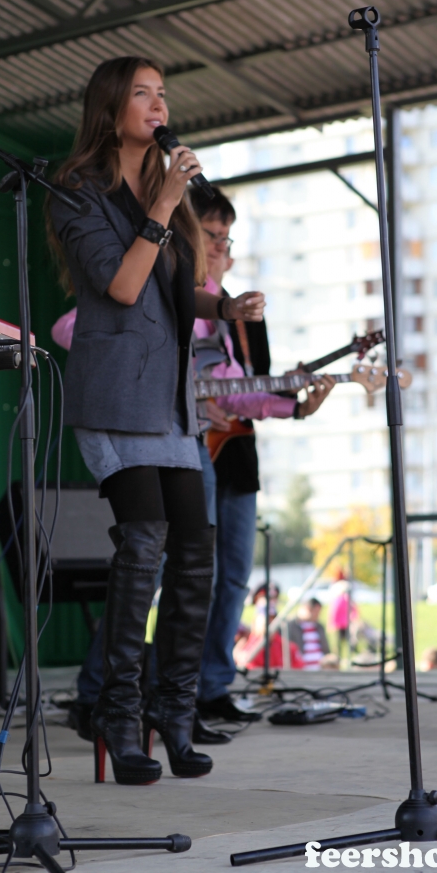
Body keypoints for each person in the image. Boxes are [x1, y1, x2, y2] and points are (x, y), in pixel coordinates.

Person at [48, 55, 264, 786]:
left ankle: (174, 712)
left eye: (162, 93)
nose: (158, 104)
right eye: (142, 93)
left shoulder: (166, 194)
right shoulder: (76, 190)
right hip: (113, 396)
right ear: (110, 108)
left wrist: (223, 306)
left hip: (169, 401)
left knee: (195, 555)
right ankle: (117, 713)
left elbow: (172, 290)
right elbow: (121, 283)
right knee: (143, 547)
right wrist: (165, 202)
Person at [190, 186, 335, 722]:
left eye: (226, 239)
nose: (220, 247)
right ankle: (168, 685)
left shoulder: (248, 315)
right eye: (210, 235)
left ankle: (213, 686)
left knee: (233, 577)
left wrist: (294, 401)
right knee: (189, 575)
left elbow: (252, 389)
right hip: (192, 446)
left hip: (237, 450)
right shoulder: (173, 298)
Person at [288, 598, 330, 670]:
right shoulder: (292, 626)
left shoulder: (319, 627)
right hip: (301, 669)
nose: (317, 615)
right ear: (307, 608)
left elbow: (326, 649)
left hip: (320, 668)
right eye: (315, 611)